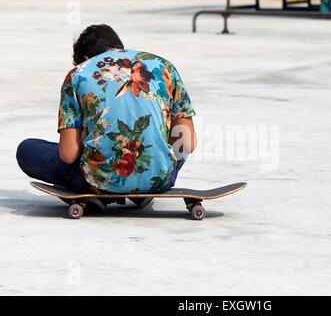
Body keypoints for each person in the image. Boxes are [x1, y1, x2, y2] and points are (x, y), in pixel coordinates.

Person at [16, 24, 196, 200]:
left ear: (86, 58)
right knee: (169, 140)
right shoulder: (165, 66)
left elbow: (68, 155)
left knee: (27, 149)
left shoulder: (78, 74)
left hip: (99, 182)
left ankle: (100, 195)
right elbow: (186, 144)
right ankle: (141, 183)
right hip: (159, 179)